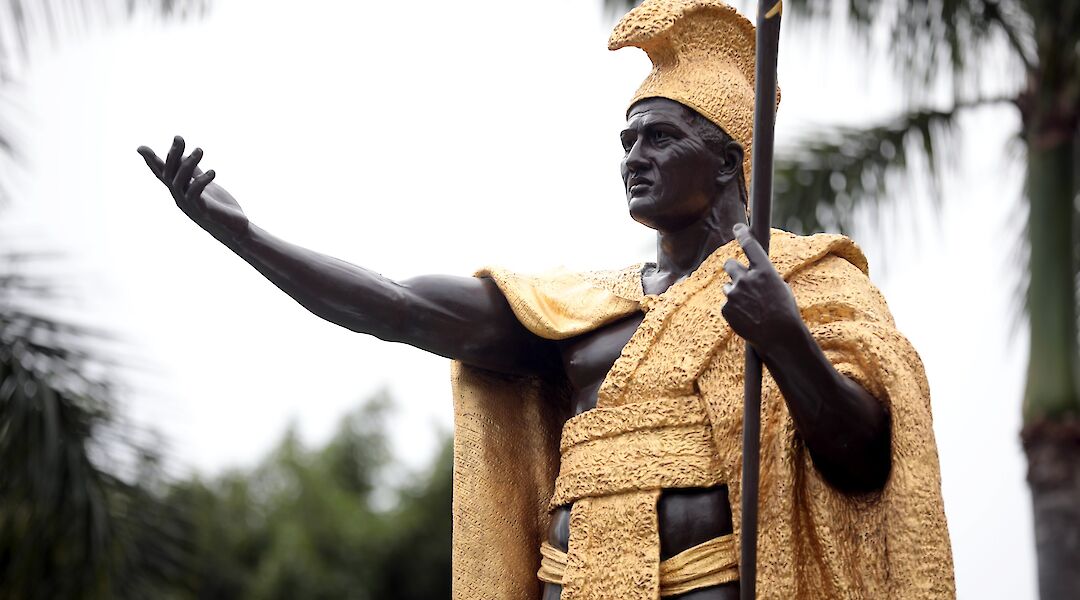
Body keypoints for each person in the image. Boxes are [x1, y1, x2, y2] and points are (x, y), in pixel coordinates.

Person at [137, 1, 953, 598]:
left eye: (661, 137)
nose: (633, 156)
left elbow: (867, 458)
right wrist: (244, 236)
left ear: (731, 162)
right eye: (626, 140)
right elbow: (395, 308)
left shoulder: (808, 284)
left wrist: (785, 339)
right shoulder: (576, 314)